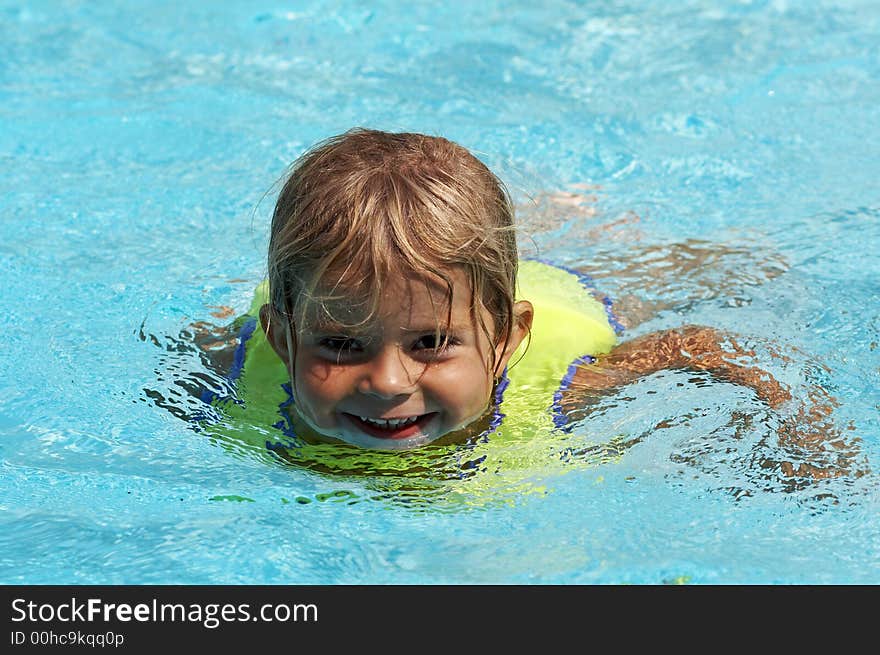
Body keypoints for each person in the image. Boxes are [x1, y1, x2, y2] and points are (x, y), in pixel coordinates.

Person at [192, 127, 860, 483]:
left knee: (726, 266)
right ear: (283, 339)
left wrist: (800, 438)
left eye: (430, 343)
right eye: (341, 344)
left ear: (508, 339)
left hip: (579, 291)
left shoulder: (569, 387)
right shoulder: (242, 365)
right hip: (442, 292)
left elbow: (701, 348)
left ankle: (581, 217)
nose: (389, 382)